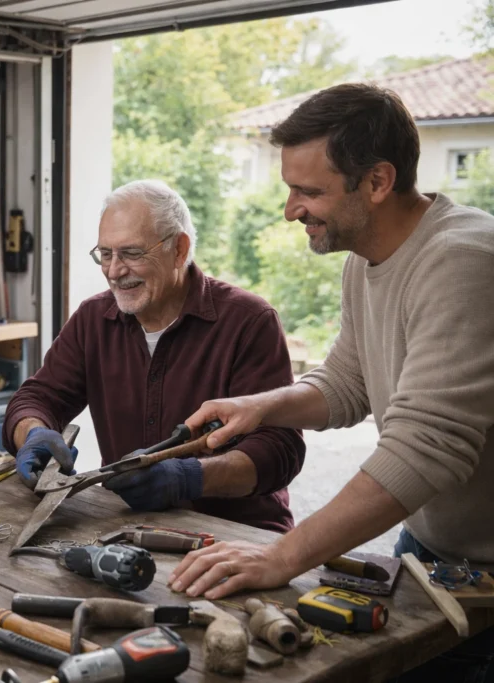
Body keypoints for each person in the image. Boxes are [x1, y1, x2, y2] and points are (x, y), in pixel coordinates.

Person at [170, 84, 494, 682]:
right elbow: (349, 383)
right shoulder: (364, 258)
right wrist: (261, 406)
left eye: (308, 191)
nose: (291, 209)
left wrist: (282, 557)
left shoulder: (463, 260)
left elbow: (424, 451)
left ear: (376, 182)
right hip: (429, 553)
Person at [3, 180, 305, 532]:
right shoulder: (93, 319)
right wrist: (33, 434)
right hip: (128, 528)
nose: (114, 271)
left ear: (179, 250)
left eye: (131, 254)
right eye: (105, 254)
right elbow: (37, 398)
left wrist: (191, 477)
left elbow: (279, 451)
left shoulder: (249, 322)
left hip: (235, 536)